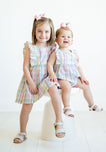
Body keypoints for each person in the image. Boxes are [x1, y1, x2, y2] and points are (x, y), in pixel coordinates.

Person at [13, 15, 65, 143]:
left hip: (46, 78)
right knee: (26, 107)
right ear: (34, 32)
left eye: (47, 31)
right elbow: (25, 67)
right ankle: (22, 132)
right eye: (40, 31)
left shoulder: (52, 47)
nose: (43, 34)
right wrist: (30, 83)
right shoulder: (29, 47)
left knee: (53, 89)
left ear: (51, 32)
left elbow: (55, 62)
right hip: (32, 80)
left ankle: (59, 122)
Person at [47, 22, 103, 118]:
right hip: (61, 78)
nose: (66, 39)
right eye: (63, 36)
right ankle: (67, 107)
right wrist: (51, 74)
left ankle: (91, 104)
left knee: (86, 85)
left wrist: (83, 77)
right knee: (67, 87)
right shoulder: (56, 53)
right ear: (56, 40)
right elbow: (49, 64)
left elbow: (78, 66)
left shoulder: (73, 53)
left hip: (73, 77)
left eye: (68, 37)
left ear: (72, 41)